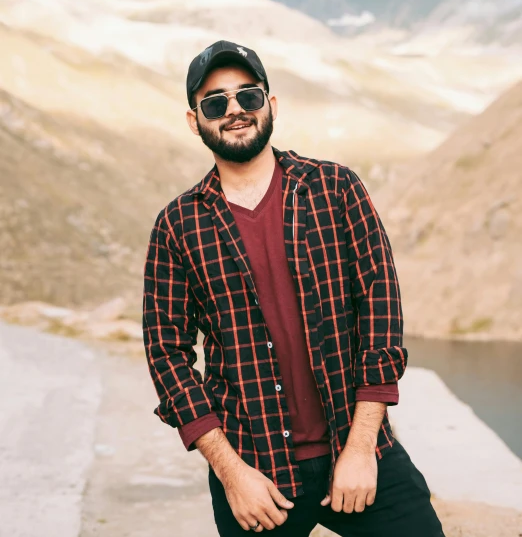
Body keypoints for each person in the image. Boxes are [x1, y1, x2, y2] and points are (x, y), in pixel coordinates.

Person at [142, 40, 445, 536]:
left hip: (359, 448)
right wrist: (231, 473)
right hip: (255, 471)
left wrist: (362, 447)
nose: (235, 110)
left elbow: (380, 308)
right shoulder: (178, 225)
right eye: (215, 103)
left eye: (249, 96)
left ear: (271, 105)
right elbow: (166, 354)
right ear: (195, 121)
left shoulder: (336, 188)